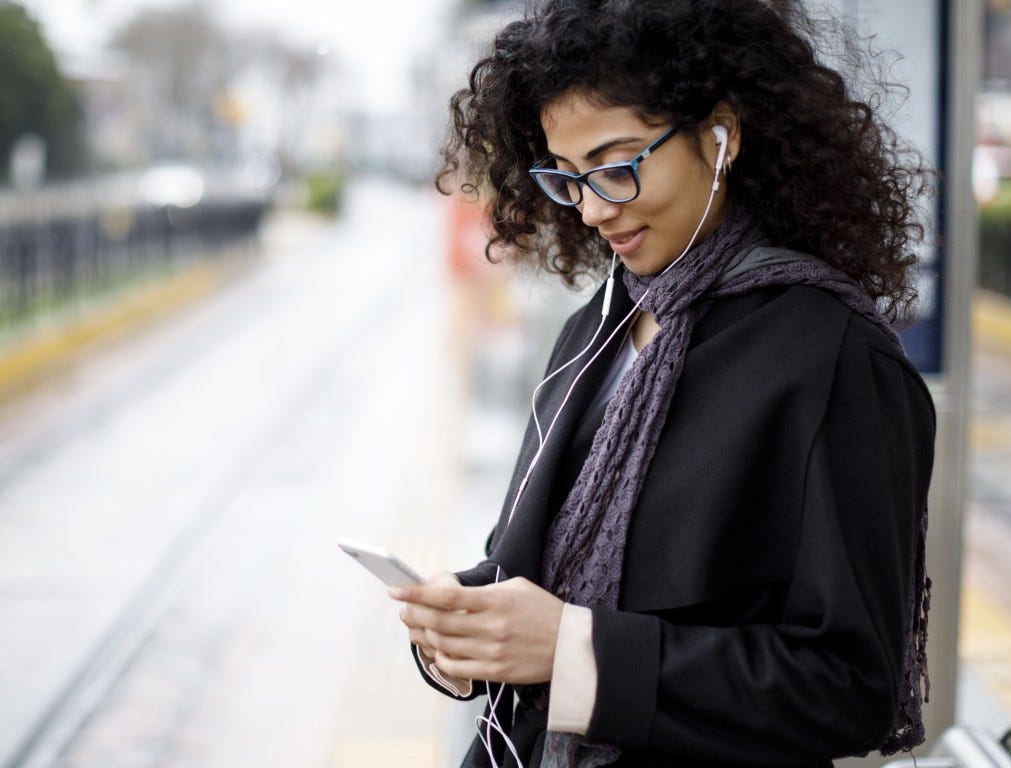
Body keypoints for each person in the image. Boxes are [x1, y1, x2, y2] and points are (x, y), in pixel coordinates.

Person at [391, 1, 937, 765]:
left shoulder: (832, 359)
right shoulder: (600, 325)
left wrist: (575, 651)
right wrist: (468, 617)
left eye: (615, 166)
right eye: (565, 177)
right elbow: (542, 566)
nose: (589, 208)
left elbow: (850, 689)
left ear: (721, 135)